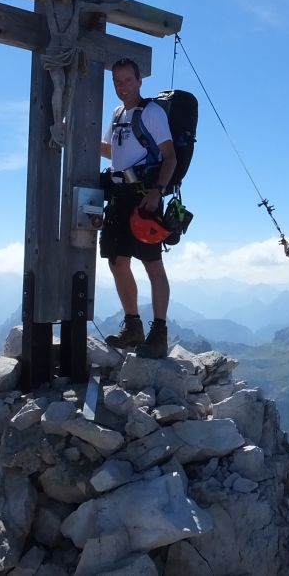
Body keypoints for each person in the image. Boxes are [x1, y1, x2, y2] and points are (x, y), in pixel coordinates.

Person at [0, 0, 119, 148]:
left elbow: (99, 7)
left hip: (72, 52)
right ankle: (57, 125)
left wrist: (118, 6)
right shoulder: (49, 0)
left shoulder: (78, 6)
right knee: (60, 84)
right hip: (55, 51)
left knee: (70, 88)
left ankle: (60, 126)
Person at [99, 58, 176, 357]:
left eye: (128, 80)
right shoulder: (118, 113)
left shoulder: (152, 112)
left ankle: (159, 334)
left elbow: (170, 157)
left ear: (139, 80)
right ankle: (133, 326)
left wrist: (158, 192)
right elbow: (112, 152)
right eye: (117, 81)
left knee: (152, 264)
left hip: (144, 196)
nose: (122, 86)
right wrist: (77, 135)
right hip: (119, 195)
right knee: (117, 261)